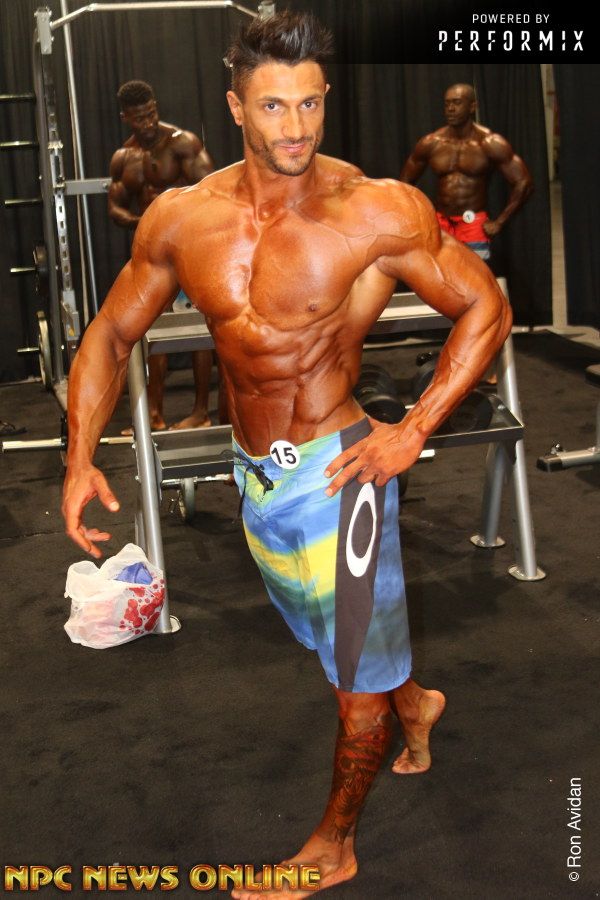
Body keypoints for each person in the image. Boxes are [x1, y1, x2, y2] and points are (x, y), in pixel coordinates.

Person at [63, 14, 512, 898]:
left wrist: (413, 429)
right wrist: (79, 458)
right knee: (337, 643)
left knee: (352, 686)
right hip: (257, 477)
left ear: (325, 98)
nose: (296, 126)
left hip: (342, 474)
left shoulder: (374, 208)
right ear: (237, 108)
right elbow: (111, 334)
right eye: (274, 106)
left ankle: (334, 845)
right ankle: (416, 701)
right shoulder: (182, 217)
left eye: (309, 103)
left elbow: (486, 306)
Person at [108, 79, 216, 430]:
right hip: (152, 255)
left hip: (189, 247)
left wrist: (172, 218)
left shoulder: (182, 143)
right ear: (126, 118)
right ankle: (153, 414)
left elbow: (211, 193)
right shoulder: (124, 158)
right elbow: (115, 207)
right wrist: (144, 221)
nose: (148, 122)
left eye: (151, 113)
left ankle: (201, 412)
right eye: (140, 117)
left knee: (198, 327)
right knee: (151, 329)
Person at [399, 83, 533, 261]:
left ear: (472, 106)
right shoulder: (432, 143)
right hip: (440, 223)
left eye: (457, 103)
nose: (450, 109)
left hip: (472, 223)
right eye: (447, 104)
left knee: (473, 274)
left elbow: (524, 183)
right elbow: (405, 182)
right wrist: (418, 217)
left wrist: (500, 222)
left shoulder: (489, 143)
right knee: (440, 273)